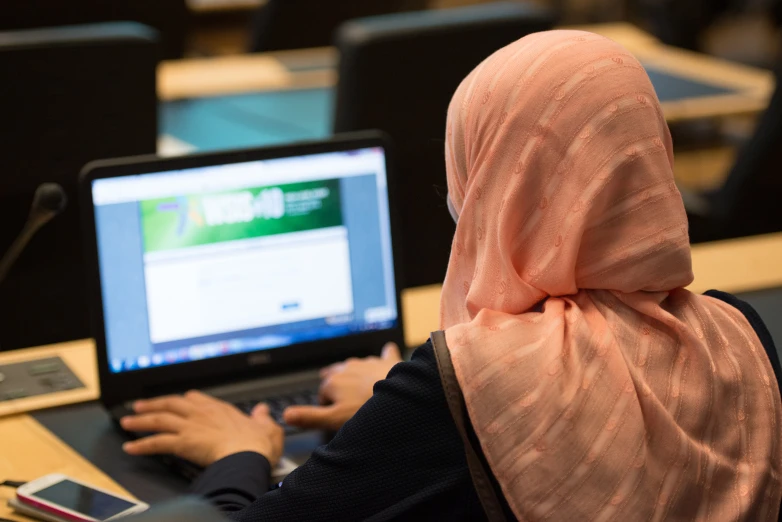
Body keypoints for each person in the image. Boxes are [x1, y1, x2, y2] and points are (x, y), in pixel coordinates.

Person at [119, 30, 782, 520]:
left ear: (495, 182)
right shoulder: (739, 334)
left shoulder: (467, 381)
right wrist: (397, 409)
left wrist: (240, 452)